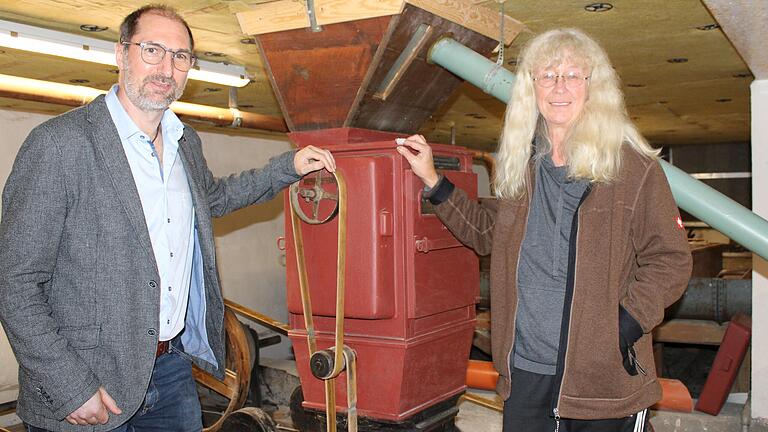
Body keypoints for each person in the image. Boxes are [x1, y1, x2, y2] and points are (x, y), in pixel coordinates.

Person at [0, 4, 335, 431]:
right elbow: (15, 281)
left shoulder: (184, 143)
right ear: (121, 54)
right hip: (90, 382)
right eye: (152, 50)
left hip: (172, 371)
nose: (166, 68)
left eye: (180, 57)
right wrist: (69, 386)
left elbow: (212, 198)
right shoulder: (61, 145)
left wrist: (288, 167)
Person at [397, 28, 692, 431]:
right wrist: (434, 181)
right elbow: (489, 233)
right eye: (547, 75)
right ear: (530, 87)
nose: (559, 86)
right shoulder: (522, 165)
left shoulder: (633, 167)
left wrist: (621, 326)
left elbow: (670, 260)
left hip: (602, 378)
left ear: (594, 86)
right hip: (525, 371)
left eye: (573, 74)